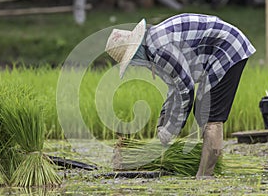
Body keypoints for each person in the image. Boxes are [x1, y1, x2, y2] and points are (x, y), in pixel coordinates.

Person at [105, 13, 256, 178]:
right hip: (219, 49)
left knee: (210, 118)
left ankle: (205, 176)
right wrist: (164, 119)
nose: (136, 64)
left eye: (133, 60)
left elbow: (186, 88)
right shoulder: (153, 47)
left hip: (227, 49)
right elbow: (174, 86)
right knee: (201, 112)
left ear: (136, 52)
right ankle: (212, 164)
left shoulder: (159, 49)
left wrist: (171, 129)